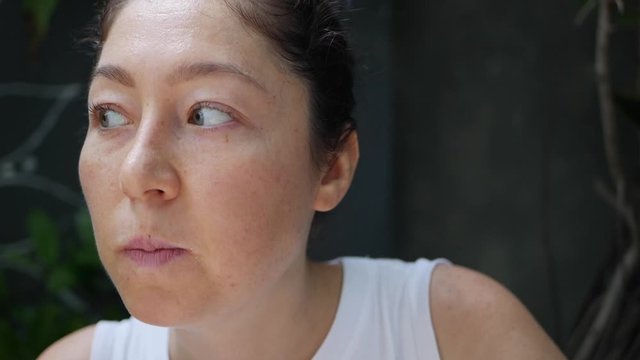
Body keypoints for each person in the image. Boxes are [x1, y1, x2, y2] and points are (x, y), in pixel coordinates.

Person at [39, 0, 566, 359]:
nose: (136, 173)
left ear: (333, 167)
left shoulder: (452, 334)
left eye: (207, 113)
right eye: (110, 115)